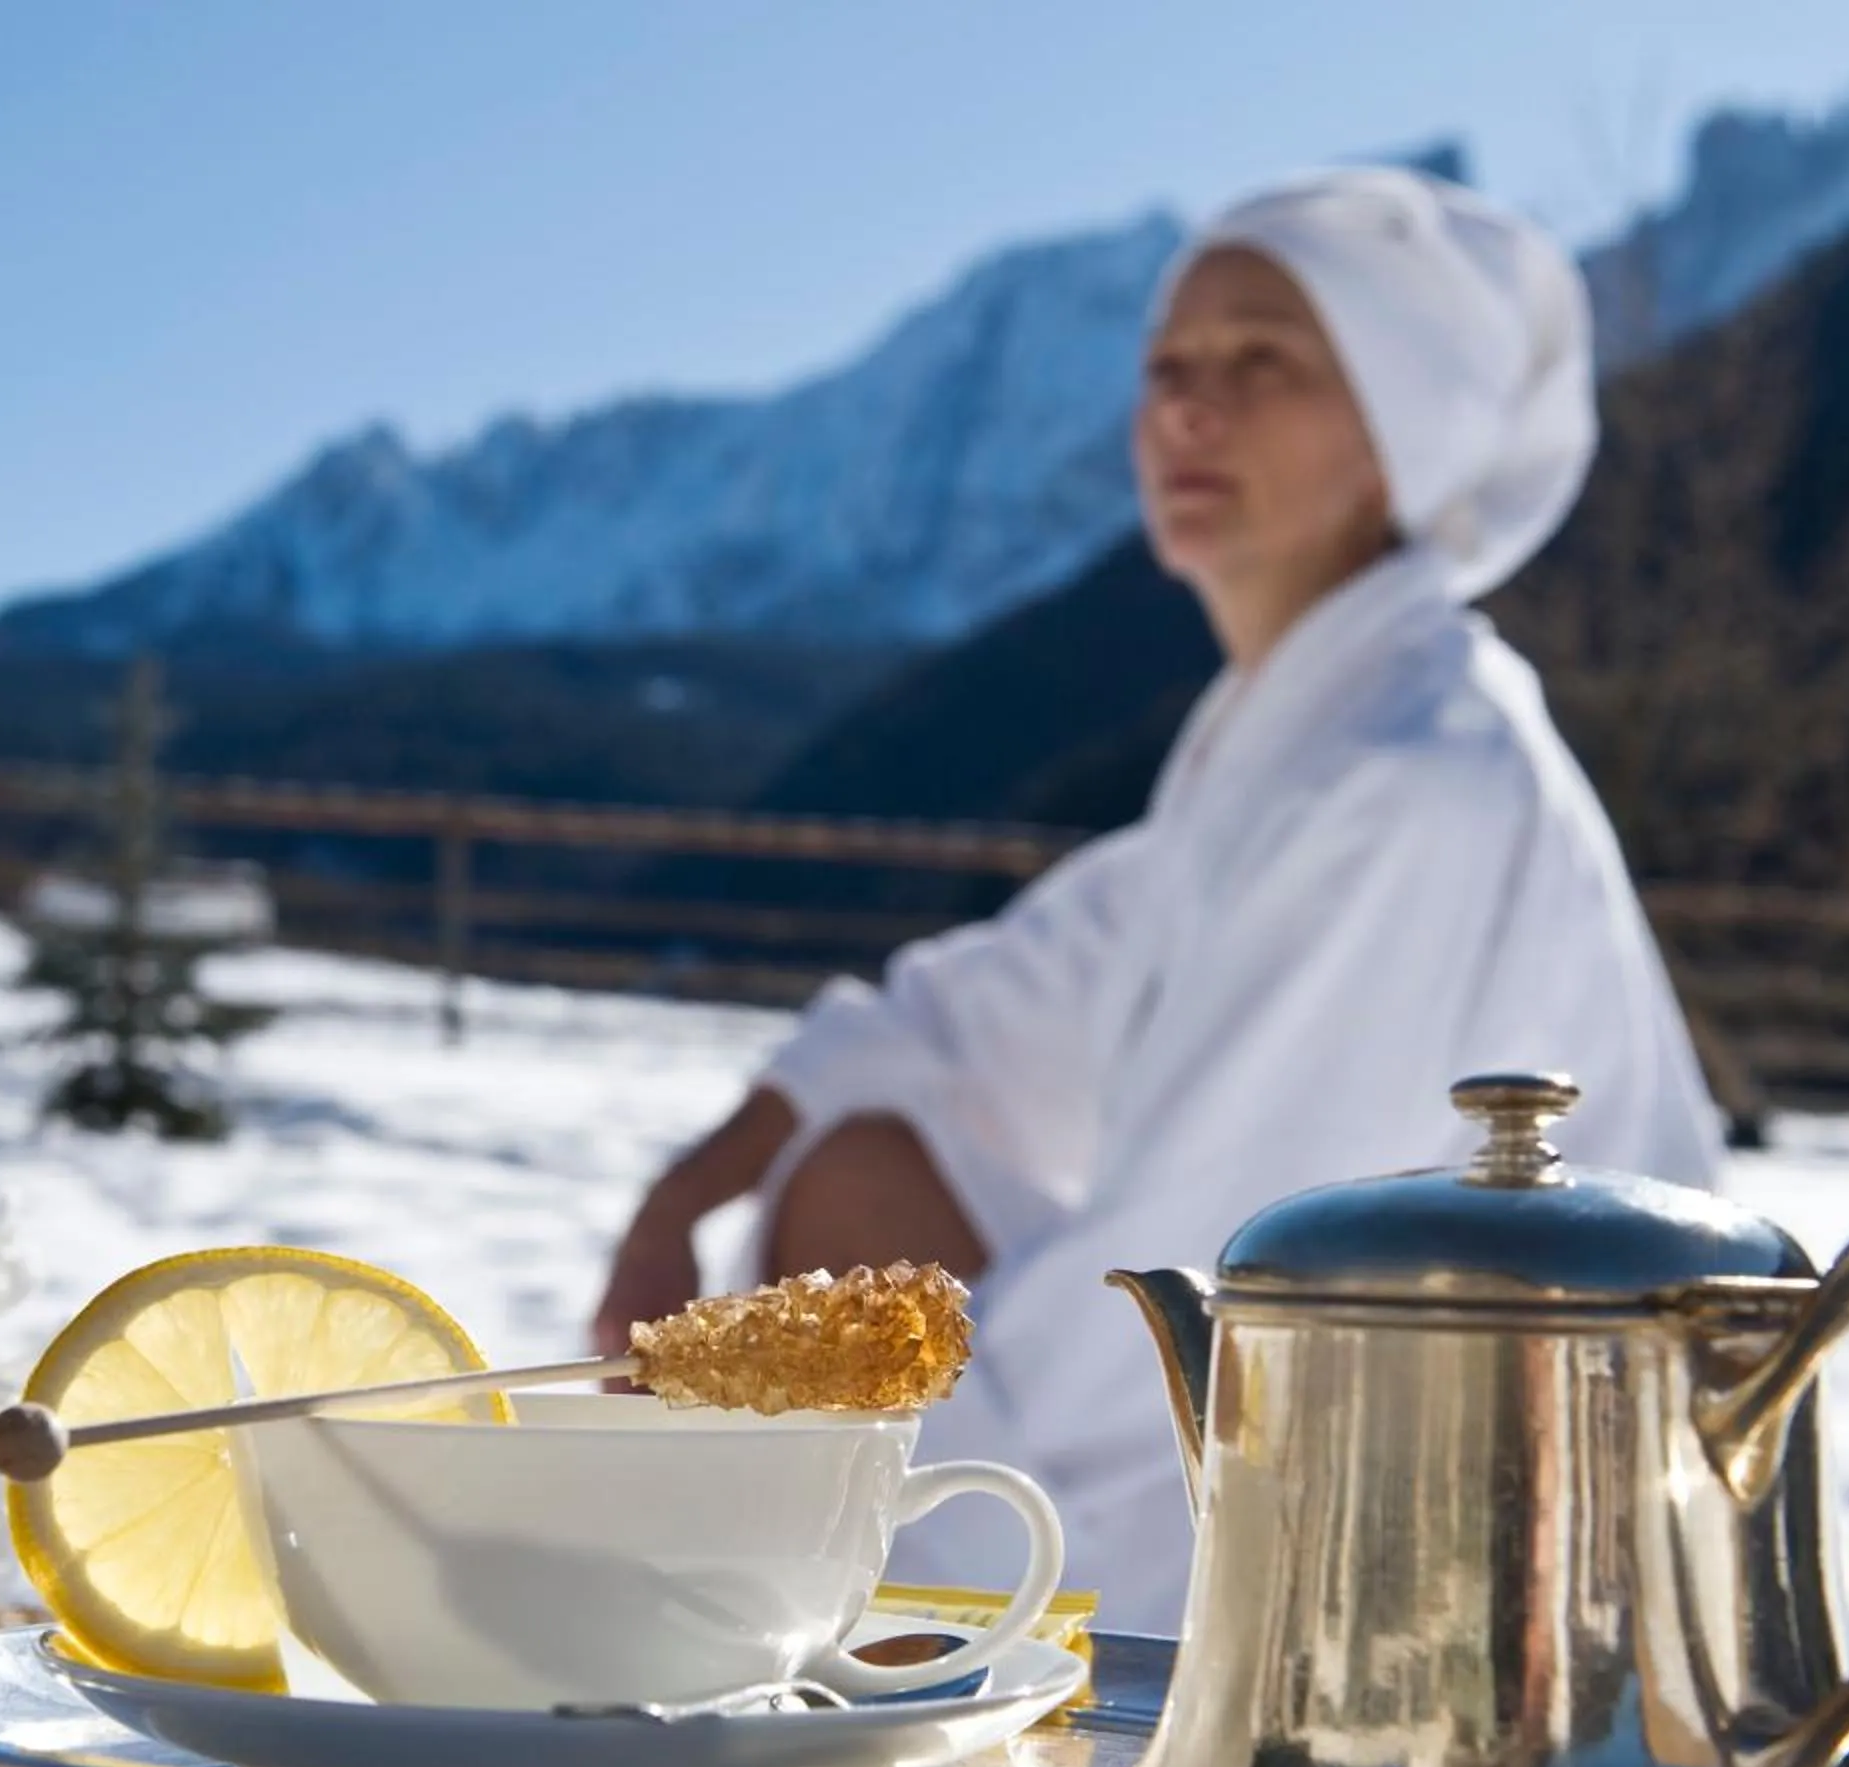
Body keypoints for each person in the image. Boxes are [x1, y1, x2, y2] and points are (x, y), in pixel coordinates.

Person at [590, 165, 1725, 1635]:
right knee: (856, 1183)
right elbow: (963, 1017)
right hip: (1275, 1461)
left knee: (850, 1313)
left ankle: (861, 1647)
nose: (1192, 409)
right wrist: (680, 1204)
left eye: (1266, 363)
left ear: (1403, 429)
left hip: (1463, 1575)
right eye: (1170, 368)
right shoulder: (1276, 754)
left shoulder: (1410, 781)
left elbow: (1204, 1309)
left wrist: (760, 1437)